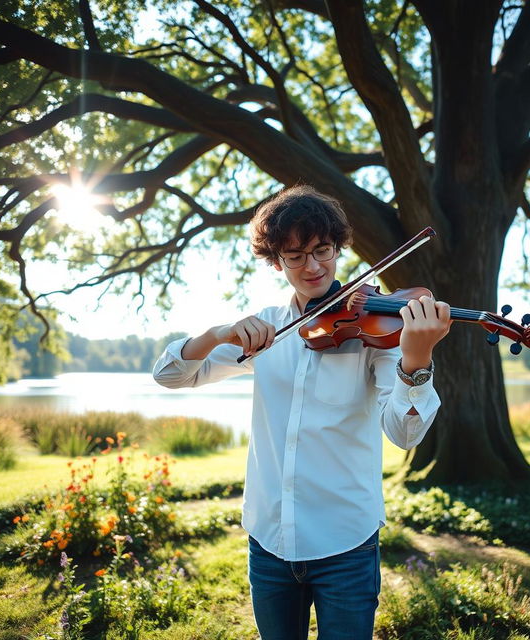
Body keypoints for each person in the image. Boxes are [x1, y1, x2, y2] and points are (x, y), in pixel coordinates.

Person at [152, 184, 451, 640]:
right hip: (268, 537)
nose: (312, 266)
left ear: (338, 248)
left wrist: (416, 360)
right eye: (295, 255)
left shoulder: (375, 332)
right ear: (276, 261)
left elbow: (405, 434)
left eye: (322, 250)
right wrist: (217, 334)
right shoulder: (268, 329)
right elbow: (170, 375)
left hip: (345, 544)